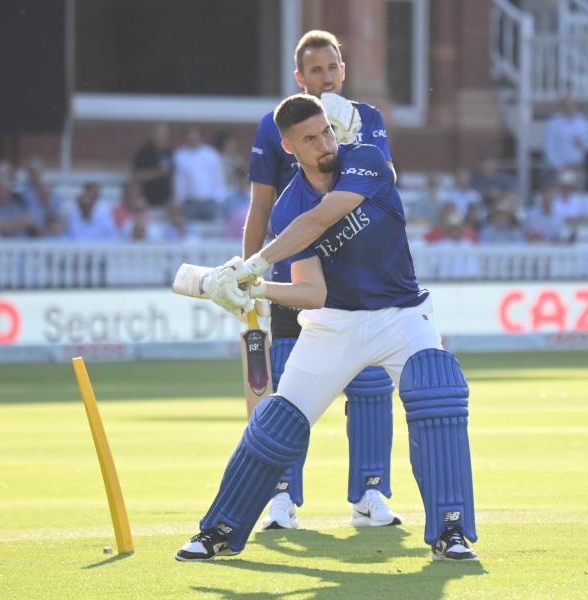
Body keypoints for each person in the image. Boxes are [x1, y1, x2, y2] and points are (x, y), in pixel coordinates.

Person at [172, 93, 477, 562]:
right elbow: (311, 292)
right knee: (275, 424)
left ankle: (450, 532)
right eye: (310, 139)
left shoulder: (367, 161)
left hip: (402, 314)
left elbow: (322, 219)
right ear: (289, 148)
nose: (324, 144)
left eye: (326, 132)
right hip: (333, 324)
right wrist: (258, 289)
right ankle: (218, 530)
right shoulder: (286, 207)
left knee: (437, 392)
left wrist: (251, 266)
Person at [243, 30, 401, 532]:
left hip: (359, 276)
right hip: (299, 270)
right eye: (316, 71)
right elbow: (261, 206)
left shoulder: (367, 120)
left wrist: (348, 136)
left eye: (333, 67)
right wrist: (249, 278)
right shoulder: (277, 126)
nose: (327, 77)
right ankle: (282, 497)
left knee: (371, 383)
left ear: (343, 69)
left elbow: (383, 182)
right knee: (289, 381)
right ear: (300, 78)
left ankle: (370, 495)